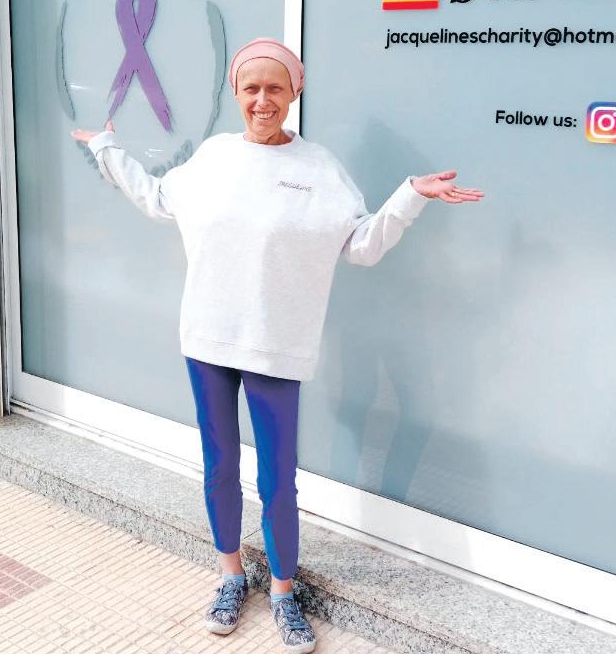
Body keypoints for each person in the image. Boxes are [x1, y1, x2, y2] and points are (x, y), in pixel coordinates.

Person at [72, 37, 483, 652]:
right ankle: (230, 576)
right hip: (208, 338)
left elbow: (362, 245)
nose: (262, 100)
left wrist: (409, 198)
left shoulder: (319, 169)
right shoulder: (214, 157)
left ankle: (285, 592)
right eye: (251, 88)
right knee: (219, 466)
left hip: (276, 347)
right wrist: (108, 150)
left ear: (296, 91)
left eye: (275, 88)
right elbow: (158, 199)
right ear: (235, 92)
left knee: (278, 481)